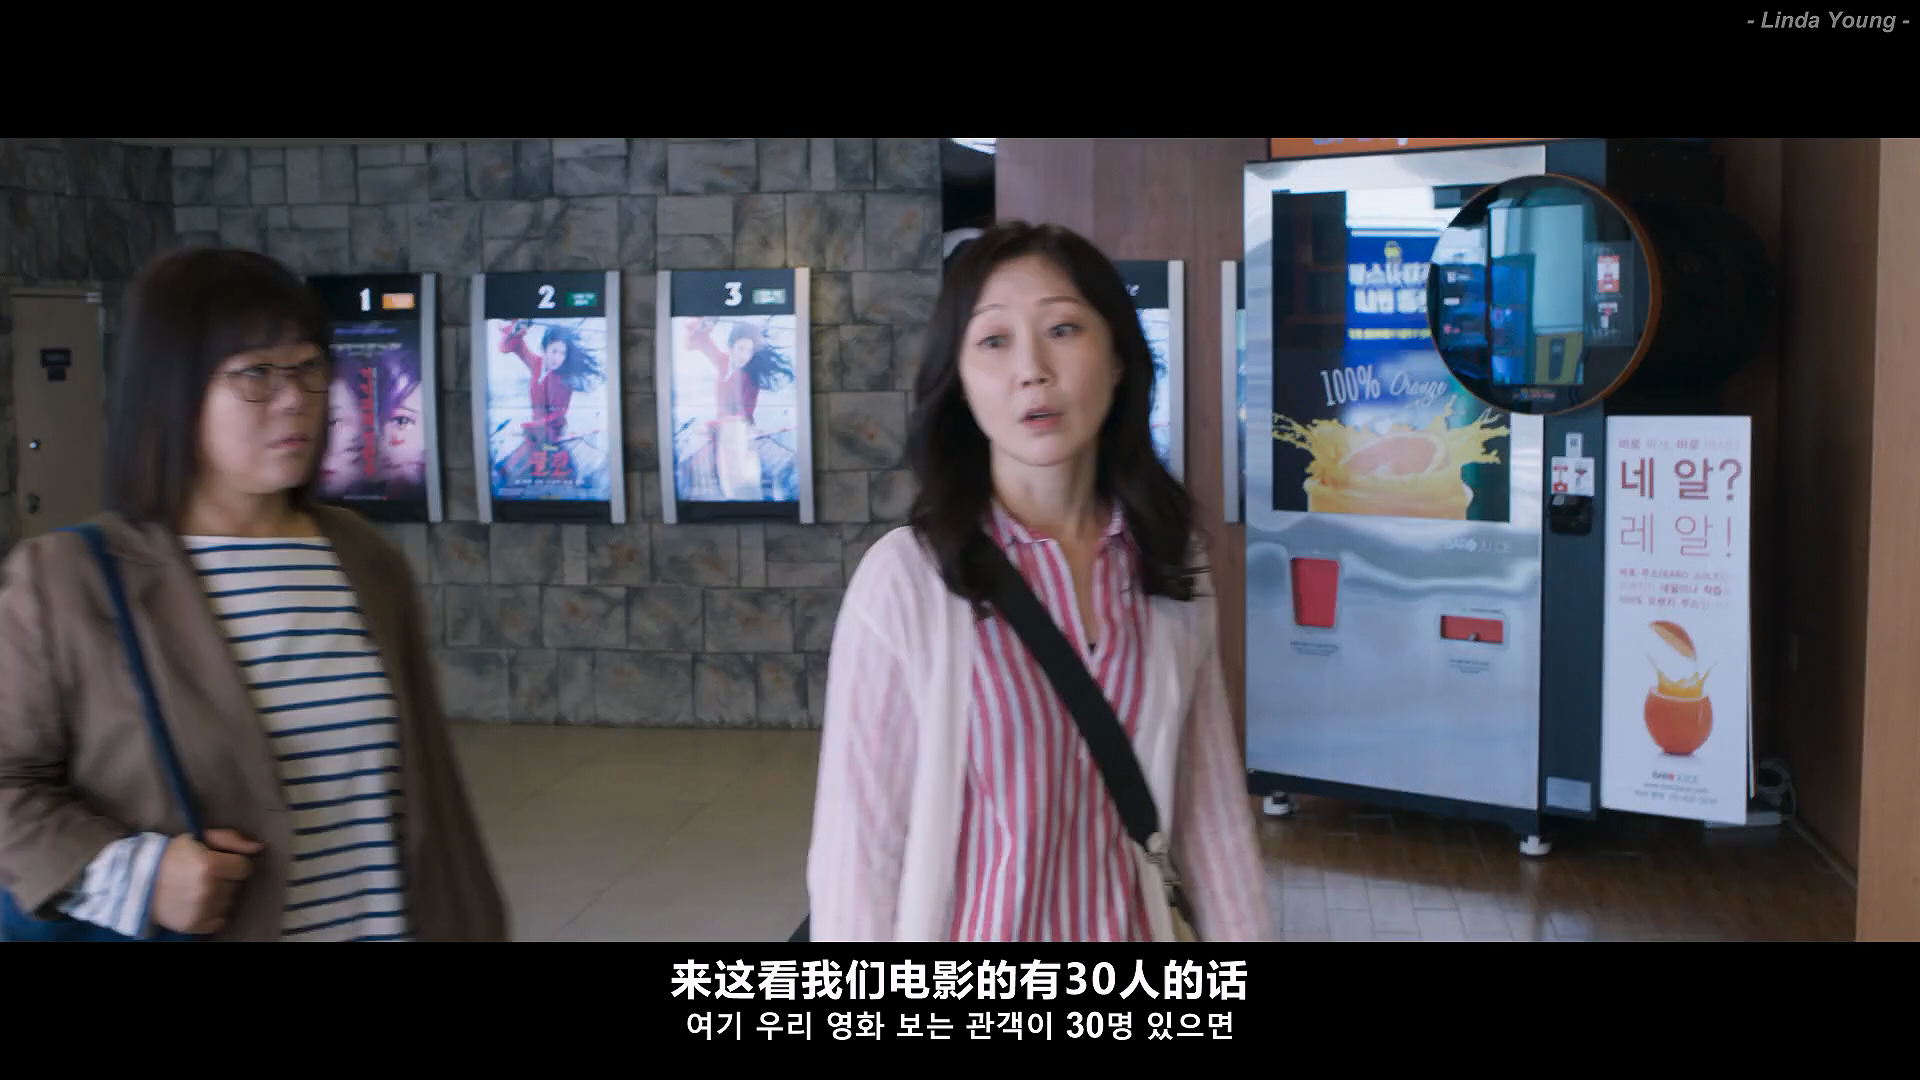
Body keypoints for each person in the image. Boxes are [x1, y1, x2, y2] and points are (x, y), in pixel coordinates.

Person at [0, 246, 508, 942]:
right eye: (256, 374)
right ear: (173, 392)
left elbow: (432, 801)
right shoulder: (68, 579)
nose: (295, 397)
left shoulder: (363, 558)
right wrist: (135, 877)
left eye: (308, 367)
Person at [805, 221, 1273, 941]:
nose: (1032, 369)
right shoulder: (905, 583)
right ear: (960, 381)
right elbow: (857, 863)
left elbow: (1211, 819)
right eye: (994, 340)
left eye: (1062, 329)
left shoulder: (1170, 562)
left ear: (1118, 359)